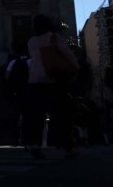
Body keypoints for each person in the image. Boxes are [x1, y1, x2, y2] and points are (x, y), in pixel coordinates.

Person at [23, 14, 80, 159]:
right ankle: (68, 147)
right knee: (61, 115)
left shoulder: (31, 41)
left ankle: (35, 144)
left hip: (34, 80)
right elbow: (67, 54)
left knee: (37, 115)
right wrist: (75, 67)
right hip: (54, 78)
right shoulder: (53, 37)